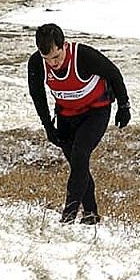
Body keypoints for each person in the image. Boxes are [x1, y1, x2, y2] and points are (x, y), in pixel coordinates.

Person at [27, 24, 131, 224]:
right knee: (77, 164)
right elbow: (37, 95)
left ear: (64, 45)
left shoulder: (83, 55)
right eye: (47, 59)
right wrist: (48, 126)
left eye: (56, 57)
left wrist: (124, 106)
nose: (53, 63)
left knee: (81, 153)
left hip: (96, 110)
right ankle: (90, 213)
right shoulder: (36, 63)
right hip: (66, 114)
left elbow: (114, 74)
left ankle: (69, 213)